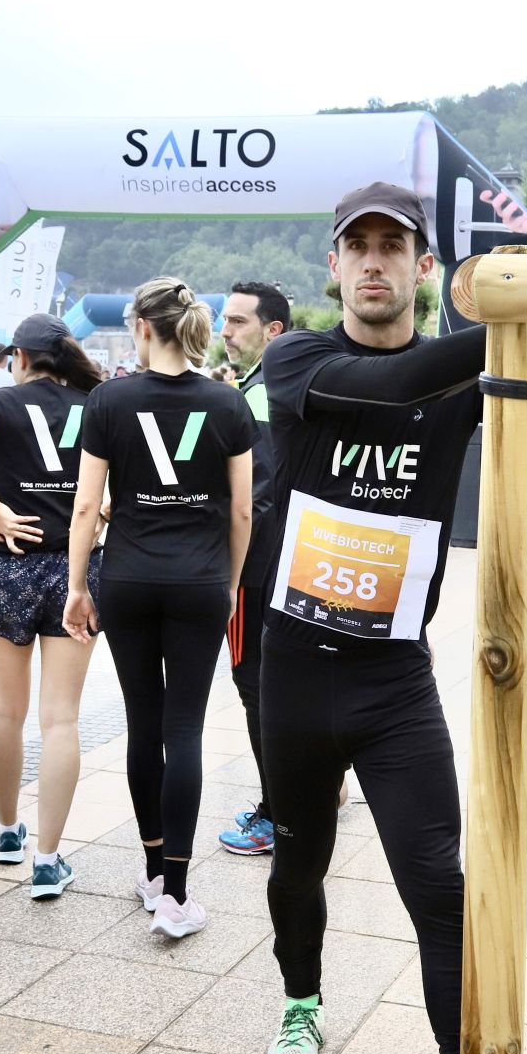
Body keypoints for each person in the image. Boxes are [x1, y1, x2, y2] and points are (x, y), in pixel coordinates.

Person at [257, 181, 499, 1054]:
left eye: (391, 247)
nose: (372, 262)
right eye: (355, 246)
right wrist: (523, 320)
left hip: (395, 681)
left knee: (440, 887)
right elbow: (392, 385)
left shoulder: (462, 381)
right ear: (333, 265)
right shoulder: (299, 358)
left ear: (423, 267)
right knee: (298, 864)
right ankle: (301, 1005)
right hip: (293, 673)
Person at [63, 277, 256, 939]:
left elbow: (85, 507)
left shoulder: (109, 399)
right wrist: (229, 582)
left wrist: (77, 586)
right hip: (199, 581)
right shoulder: (226, 402)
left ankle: (151, 874)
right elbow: (241, 510)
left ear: (142, 327)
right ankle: (176, 895)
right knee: (185, 731)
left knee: (143, 726)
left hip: (128, 579)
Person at [0, 313, 103, 897]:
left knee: (7, 708)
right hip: (75, 568)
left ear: (20, 358)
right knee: (61, 718)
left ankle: (8, 832)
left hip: (7, 565)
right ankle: (48, 860)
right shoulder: (94, 404)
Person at [216, 282, 290, 855]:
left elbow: (256, 497)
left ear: (273, 330)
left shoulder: (260, 393)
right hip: (294, 562)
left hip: (258, 569)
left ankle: (278, 814)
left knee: (256, 688)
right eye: (224, 320)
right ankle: (312, 796)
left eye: (238, 321)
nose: (225, 331)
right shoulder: (279, 384)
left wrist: (233, 574)